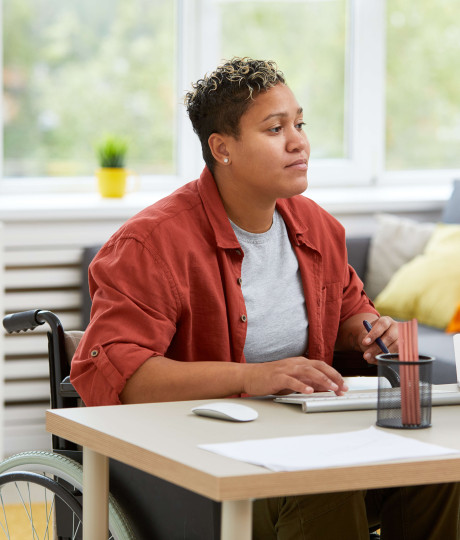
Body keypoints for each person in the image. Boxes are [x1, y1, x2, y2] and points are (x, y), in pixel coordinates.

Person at [71, 58, 459, 539]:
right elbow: (120, 375)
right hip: (191, 462)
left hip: (297, 442)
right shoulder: (150, 244)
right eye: (275, 128)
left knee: (439, 471)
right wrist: (256, 377)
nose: (298, 141)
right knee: (326, 482)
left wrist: (369, 333)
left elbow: (347, 307)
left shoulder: (315, 225)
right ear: (222, 148)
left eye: (299, 123)